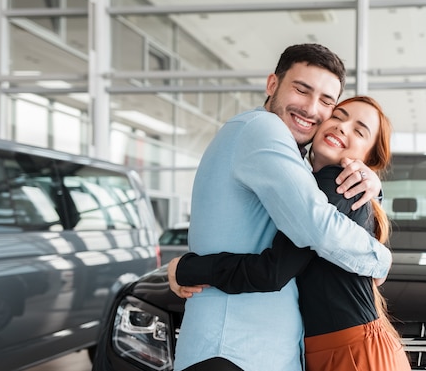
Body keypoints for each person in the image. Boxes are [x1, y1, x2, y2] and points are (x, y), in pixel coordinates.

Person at [168, 44, 392, 371]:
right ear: (272, 85)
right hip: (233, 351)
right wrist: (381, 259)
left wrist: (375, 188)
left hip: (249, 350)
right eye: (302, 90)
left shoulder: (290, 155)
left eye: (327, 102)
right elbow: (316, 227)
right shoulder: (264, 129)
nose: (312, 109)